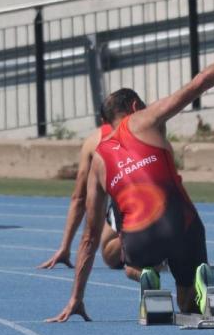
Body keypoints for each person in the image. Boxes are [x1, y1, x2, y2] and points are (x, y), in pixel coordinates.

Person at [47, 37, 214, 323]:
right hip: (183, 225)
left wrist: (76, 297)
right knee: (190, 308)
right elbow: (200, 82)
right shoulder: (147, 118)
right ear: (135, 107)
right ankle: (199, 286)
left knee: (132, 265)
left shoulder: (97, 160)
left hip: (140, 239)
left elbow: (89, 237)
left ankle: (147, 275)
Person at [37, 118, 150, 281]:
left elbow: (79, 197)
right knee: (111, 251)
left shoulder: (95, 141)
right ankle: (163, 243)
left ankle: (152, 244)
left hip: (132, 201)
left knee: (112, 257)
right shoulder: (150, 127)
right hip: (159, 201)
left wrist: (65, 247)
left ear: (104, 119)